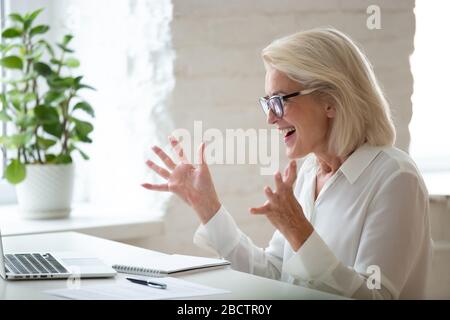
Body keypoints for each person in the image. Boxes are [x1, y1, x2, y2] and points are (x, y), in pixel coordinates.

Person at [142, 28, 431, 299]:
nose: (270, 117)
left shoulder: (395, 177)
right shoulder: (308, 173)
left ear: (330, 101)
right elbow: (272, 275)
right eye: (267, 102)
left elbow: (375, 296)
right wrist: (207, 207)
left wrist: (299, 231)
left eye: (280, 100)